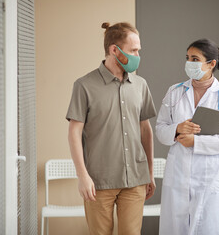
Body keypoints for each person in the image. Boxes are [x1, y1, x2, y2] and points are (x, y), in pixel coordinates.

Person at [66, 22, 156, 235]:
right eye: (133, 50)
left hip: (135, 179)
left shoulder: (141, 85)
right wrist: (82, 176)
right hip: (98, 181)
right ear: (114, 50)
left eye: (138, 50)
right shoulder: (84, 85)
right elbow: (74, 133)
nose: (138, 55)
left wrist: (150, 173)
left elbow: (146, 131)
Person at [156, 38, 219, 235]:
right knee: (174, 229)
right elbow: (160, 129)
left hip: (210, 177)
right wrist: (177, 128)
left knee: (208, 228)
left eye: (195, 59)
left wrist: (197, 142)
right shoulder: (174, 92)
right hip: (178, 174)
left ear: (211, 64)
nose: (189, 63)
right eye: (187, 58)